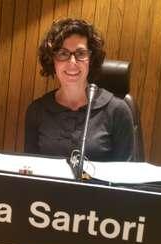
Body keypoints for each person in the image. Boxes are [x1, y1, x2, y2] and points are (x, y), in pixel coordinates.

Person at [25, 18, 134, 161]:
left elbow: (125, 175)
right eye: (63, 53)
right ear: (52, 60)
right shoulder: (37, 110)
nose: (72, 63)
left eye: (81, 54)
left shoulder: (118, 111)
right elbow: (31, 171)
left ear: (91, 59)